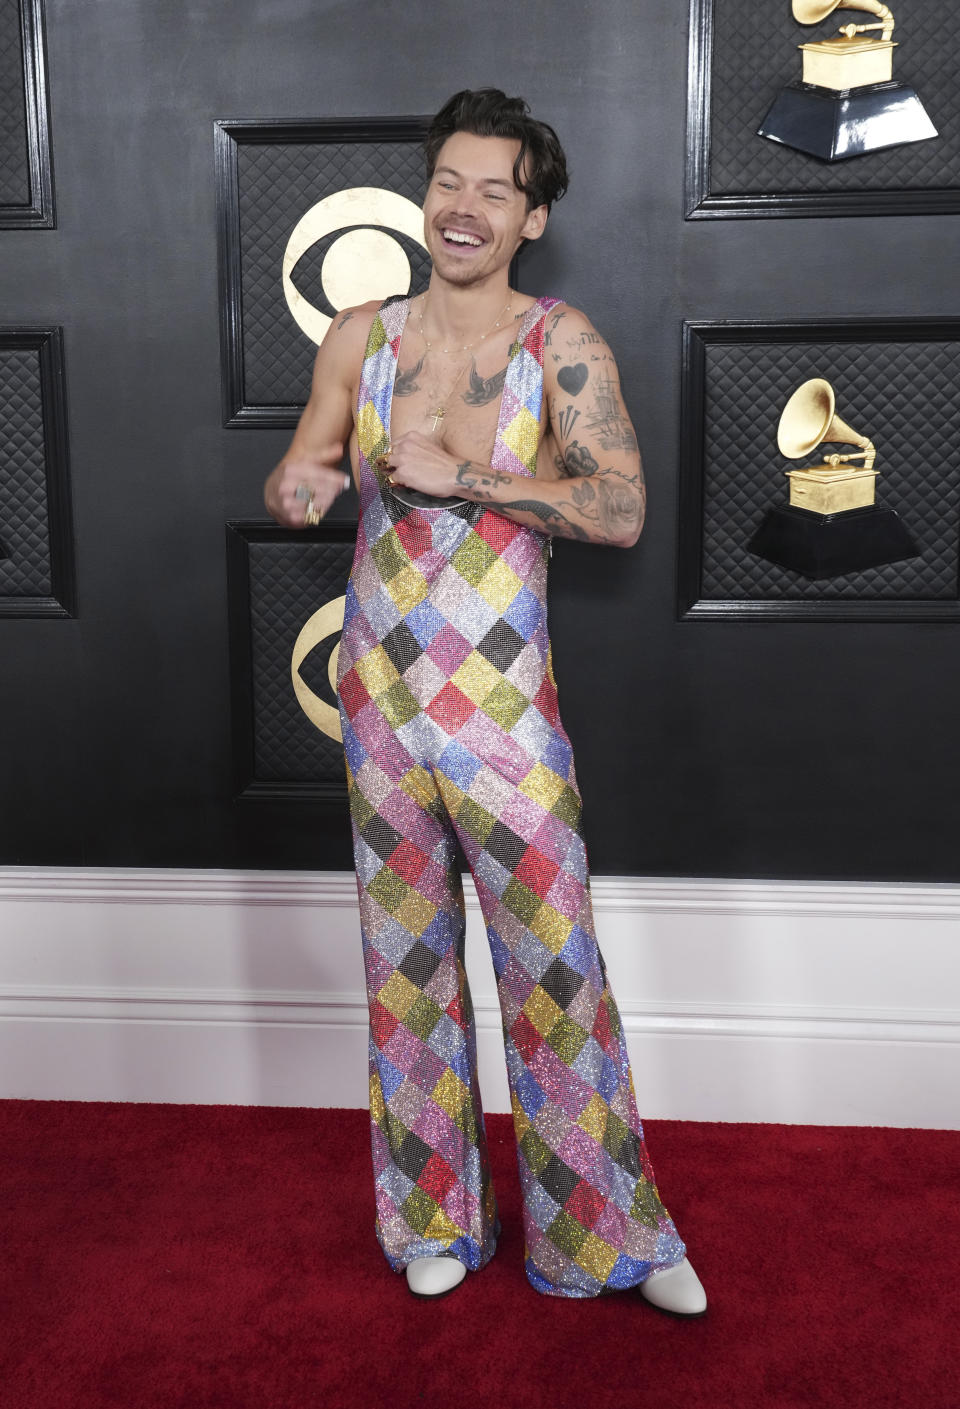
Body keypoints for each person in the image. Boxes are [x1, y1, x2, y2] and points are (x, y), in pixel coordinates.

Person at [264, 88, 706, 1315]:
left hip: (504, 710)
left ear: (532, 216)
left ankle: (608, 1228)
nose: (462, 207)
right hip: (379, 701)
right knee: (405, 965)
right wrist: (304, 475)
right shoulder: (361, 334)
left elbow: (618, 509)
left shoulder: (558, 344)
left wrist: (470, 474)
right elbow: (307, 456)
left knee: (553, 964)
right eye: (448, 182)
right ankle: (432, 1213)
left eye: (492, 191)